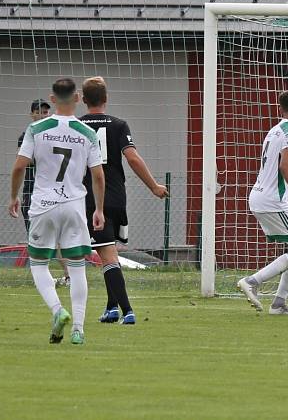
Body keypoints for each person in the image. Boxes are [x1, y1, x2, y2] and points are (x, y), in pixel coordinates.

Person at [9, 77, 105, 345]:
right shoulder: (88, 133)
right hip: (74, 205)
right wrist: (98, 208)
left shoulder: (36, 128)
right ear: (77, 98)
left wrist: (14, 196)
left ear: (52, 100)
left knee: (38, 263)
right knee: (77, 269)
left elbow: (19, 167)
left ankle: (57, 310)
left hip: (43, 205)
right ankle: (78, 328)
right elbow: (98, 175)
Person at [80, 76, 169, 325]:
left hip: (90, 198)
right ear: (106, 99)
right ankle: (111, 308)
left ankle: (127, 310)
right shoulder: (118, 125)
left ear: (84, 100)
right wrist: (154, 186)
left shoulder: (76, 126)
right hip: (117, 197)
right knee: (109, 252)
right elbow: (132, 158)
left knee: (106, 255)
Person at [237, 90, 288, 315]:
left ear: (279, 109)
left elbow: (275, 174)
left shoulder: (273, 131)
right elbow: (285, 167)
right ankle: (252, 281)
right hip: (272, 202)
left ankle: (279, 304)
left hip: (262, 196)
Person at [18, 100, 72, 287]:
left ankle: (66, 276)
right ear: (32, 114)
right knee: (37, 238)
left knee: (58, 238)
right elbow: (27, 161)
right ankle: (47, 277)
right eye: (40, 112)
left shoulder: (55, 134)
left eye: (47, 112)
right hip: (33, 192)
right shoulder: (29, 134)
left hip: (54, 192)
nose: (44, 115)